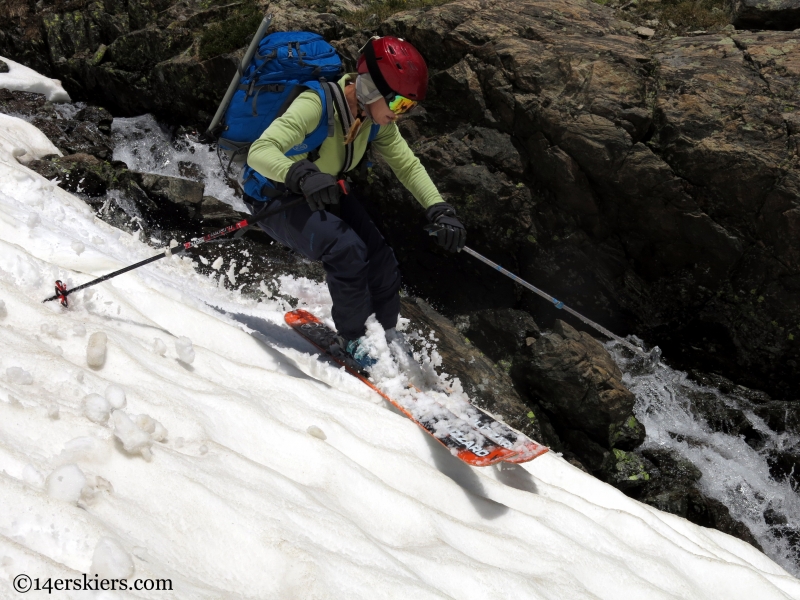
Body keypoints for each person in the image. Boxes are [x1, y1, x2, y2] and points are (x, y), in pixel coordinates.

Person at [246, 36, 466, 368]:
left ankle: (386, 334)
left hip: (324, 192)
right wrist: (300, 175)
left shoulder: (374, 122)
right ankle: (352, 339)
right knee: (347, 250)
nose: (399, 115)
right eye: (398, 105)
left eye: (406, 108)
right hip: (277, 199)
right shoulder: (316, 104)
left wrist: (439, 208)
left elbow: (407, 165)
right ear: (374, 90)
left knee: (381, 258)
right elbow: (258, 153)